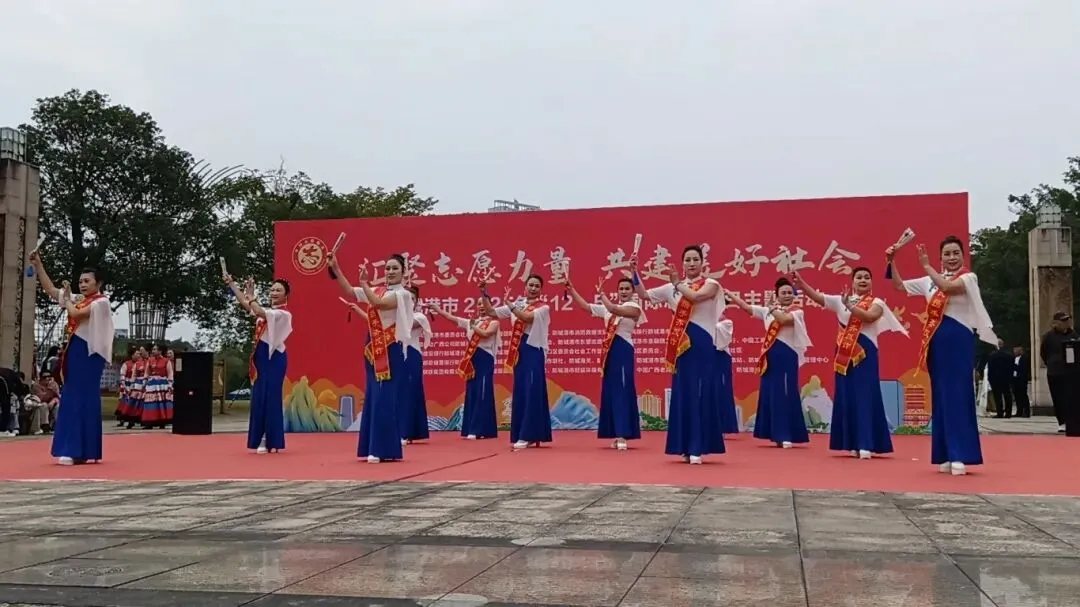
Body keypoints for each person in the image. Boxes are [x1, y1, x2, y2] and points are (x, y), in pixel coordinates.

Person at [889, 236, 997, 475]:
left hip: (958, 339)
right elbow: (899, 286)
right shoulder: (929, 282)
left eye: (955, 253)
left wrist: (926, 266)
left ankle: (961, 454)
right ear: (941, 258)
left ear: (962, 255)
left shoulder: (968, 278)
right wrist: (891, 261)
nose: (951, 257)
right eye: (947, 254)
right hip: (936, 341)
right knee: (941, 396)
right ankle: (945, 453)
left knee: (958, 394)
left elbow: (948, 288)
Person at [793, 267, 907, 458]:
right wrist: (801, 284)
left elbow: (870, 317)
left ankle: (866, 443)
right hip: (844, 354)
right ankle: (851, 442)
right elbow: (818, 297)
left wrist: (850, 306)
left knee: (865, 396)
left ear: (871, 282)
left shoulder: (876, 302)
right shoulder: (840, 300)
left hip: (865, 353)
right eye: (859, 277)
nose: (863, 280)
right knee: (847, 395)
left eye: (867, 277)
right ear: (852, 281)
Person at [632, 245, 725, 463]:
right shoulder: (671, 288)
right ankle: (684, 444)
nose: (691, 263)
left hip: (702, 343)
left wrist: (677, 284)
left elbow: (696, 297)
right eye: (688, 260)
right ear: (682, 263)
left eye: (695, 259)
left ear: (702, 262)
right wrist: (634, 272)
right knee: (684, 392)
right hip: (681, 345)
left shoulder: (711, 284)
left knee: (701, 391)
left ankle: (699, 446)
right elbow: (644, 295)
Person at [29, 251, 114, 465]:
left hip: (89, 354)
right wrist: (38, 264)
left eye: (87, 281)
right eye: (80, 281)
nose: (82, 285)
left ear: (98, 283)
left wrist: (67, 299)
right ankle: (78, 449)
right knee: (73, 397)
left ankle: (77, 449)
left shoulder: (101, 302)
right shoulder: (80, 299)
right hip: (76, 350)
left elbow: (75, 314)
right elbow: (50, 290)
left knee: (81, 398)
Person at [329, 253, 413, 463]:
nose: (390, 272)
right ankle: (372, 446)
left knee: (384, 397)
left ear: (404, 272)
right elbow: (350, 291)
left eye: (395, 268)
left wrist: (365, 283)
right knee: (374, 396)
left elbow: (379, 304)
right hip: (372, 347)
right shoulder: (377, 289)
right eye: (388, 268)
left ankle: (383, 448)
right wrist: (337, 268)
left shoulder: (403, 294)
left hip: (390, 348)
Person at [728, 277, 811, 449]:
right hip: (770, 356)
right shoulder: (767, 311)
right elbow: (746, 307)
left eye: (789, 292)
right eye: (783, 293)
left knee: (787, 392)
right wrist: (731, 295)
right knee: (772, 393)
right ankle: (774, 433)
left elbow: (784, 320)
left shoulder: (797, 311)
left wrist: (771, 308)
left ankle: (787, 433)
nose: (787, 295)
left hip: (788, 355)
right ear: (777, 295)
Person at [567, 275, 645, 450]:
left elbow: (615, 309)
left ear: (633, 292)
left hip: (624, 350)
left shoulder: (634, 307)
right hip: (610, 352)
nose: (623, 291)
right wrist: (571, 290)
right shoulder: (607, 310)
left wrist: (602, 295)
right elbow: (586, 306)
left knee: (623, 389)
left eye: (627, 289)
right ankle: (615, 432)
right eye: (621, 289)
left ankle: (623, 433)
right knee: (611, 391)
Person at [225, 274, 293, 454]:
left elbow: (259, 310)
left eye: (278, 290)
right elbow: (247, 304)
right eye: (272, 289)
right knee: (259, 398)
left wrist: (251, 295)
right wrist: (232, 284)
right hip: (260, 358)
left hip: (275, 358)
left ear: (286, 295)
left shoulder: (283, 314)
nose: (274, 293)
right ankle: (261, 438)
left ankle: (269, 439)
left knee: (270, 398)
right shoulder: (268, 311)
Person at [491, 274, 553, 450]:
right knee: (521, 391)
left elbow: (526, 318)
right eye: (530, 285)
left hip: (534, 350)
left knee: (533, 391)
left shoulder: (543, 308)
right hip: (519, 352)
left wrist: (510, 305)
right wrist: (484, 292)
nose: (533, 288)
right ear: (525, 287)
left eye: (537, 286)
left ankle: (529, 434)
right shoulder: (518, 304)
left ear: (540, 289)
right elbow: (491, 312)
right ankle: (525, 433)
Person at [429, 297, 501, 440]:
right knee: (472, 391)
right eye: (479, 304)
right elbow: (451, 318)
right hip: (472, 360)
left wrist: (473, 326)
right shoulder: (471, 322)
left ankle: (481, 429)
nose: (481, 306)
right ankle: (471, 428)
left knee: (483, 391)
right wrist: (438, 310)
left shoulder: (494, 322)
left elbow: (485, 334)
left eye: (484, 304)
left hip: (485, 359)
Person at [401, 285, 432, 445]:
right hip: (397, 355)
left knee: (411, 392)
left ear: (417, 301)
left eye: (412, 299)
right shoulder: (395, 315)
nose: (409, 301)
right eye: (405, 298)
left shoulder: (420, 317)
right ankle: (399, 430)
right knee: (398, 392)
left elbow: (405, 326)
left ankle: (407, 432)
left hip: (412, 355)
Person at [1040, 311, 1076, 433]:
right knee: (1058, 397)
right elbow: (1043, 353)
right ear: (1056, 323)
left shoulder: (1074, 335)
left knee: (1070, 397)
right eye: (1063, 320)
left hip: (1070, 372)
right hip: (1055, 372)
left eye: (1067, 320)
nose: (1066, 323)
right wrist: (1051, 362)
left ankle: (1071, 420)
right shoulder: (1049, 337)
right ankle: (1061, 421)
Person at [715, 314, 741, 434]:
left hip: (721, 358)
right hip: (706, 358)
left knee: (721, 390)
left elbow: (718, 334)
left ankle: (724, 425)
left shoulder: (727, 322)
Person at [140, 344, 175, 429]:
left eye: (155, 349)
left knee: (161, 403)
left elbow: (170, 373)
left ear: (160, 351)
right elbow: (147, 372)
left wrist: (170, 385)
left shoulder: (166, 361)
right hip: (152, 384)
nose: (153, 351)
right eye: (153, 349)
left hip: (162, 385)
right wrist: (144, 383)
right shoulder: (150, 360)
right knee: (150, 403)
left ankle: (162, 422)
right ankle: (149, 422)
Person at [986, 339, 1014, 418]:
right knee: (1007, 396)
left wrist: (990, 379)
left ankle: (1000, 413)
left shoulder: (992, 355)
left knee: (997, 397)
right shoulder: (1009, 355)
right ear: (1003, 345)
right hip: (1006, 379)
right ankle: (1008, 413)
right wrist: (1010, 378)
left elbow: (990, 369)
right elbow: (1012, 368)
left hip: (995, 379)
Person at [1012, 345, 1031, 418]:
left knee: (1023, 395)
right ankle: (1019, 411)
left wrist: (1015, 366)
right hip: (1015, 379)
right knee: (1017, 396)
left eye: (1015, 350)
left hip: (1022, 379)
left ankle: (1026, 411)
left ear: (1020, 350)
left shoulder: (1025, 358)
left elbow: (1023, 369)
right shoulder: (1014, 358)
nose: (1014, 352)